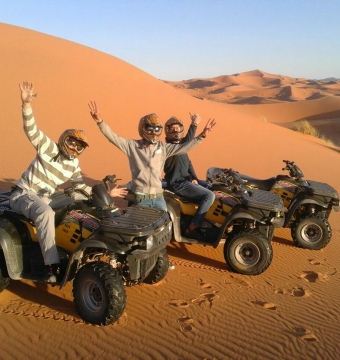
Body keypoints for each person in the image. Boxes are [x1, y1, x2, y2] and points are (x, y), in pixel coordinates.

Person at [9, 82, 127, 284]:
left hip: (47, 197)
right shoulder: (49, 148)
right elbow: (31, 130)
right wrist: (26, 104)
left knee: (77, 200)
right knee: (45, 212)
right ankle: (51, 266)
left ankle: (80, 241)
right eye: (72, 142)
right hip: (24, 194)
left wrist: (106, 193)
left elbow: (81, 187)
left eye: (79, 146)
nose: (74, 147)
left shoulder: (73, 164)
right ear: (64, 140)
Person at [88, 102, 216, 212]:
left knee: (164, 229)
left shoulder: (163, 147)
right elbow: (113, 137)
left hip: (158, 198)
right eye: (149, 128)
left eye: (156, 128)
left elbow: (185, 147)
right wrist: (100, 122)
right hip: (141, 199)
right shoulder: (132, 146)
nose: (153, 131)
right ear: (143, 128)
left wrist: (202, 136)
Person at [164, 114, 216, 239]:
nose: (175, 131)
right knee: (209, 195)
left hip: (186, 180)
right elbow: (188, 141)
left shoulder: (182, 146)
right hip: (178, 183)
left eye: (177, 128)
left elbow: (189, 164)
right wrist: (195, 125)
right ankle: (194, 225)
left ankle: (209, 219)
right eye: (172, 129)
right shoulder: (168, 148)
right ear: (168, 131)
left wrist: (195, 179)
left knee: (212, 186)